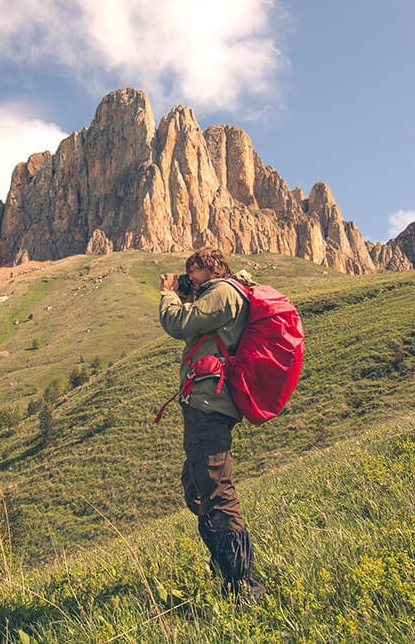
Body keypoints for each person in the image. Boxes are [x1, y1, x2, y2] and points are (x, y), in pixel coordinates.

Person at [158, 246, 265, 601]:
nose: (189, 278)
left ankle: (241, 583)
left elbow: (180, 324)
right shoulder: (217, 294)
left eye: (194, 271)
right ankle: (225, 569)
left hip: (210, 406)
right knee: (198, 485)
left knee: (217, 489)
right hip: (204, 403)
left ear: (213, 268)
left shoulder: (224, 291)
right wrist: (188, 293)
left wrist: (168, 296)